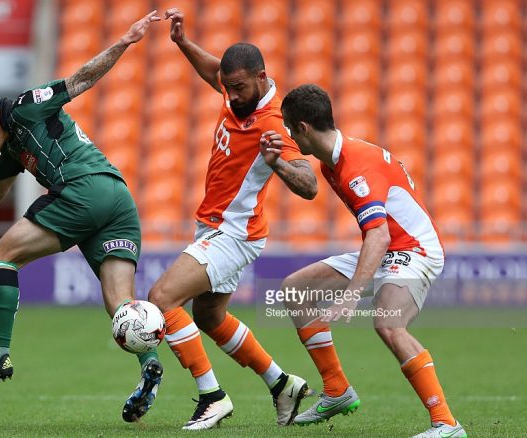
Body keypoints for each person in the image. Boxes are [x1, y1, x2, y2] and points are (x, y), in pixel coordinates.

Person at [0, 11, 165, 424]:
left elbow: (81, 79)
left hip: (83, 190)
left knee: (1, 255)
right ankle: (150, 367)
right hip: (117, 201)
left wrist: (126, 41)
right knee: (120, 306)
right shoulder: (12, 147)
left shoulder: (21, 109)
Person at [146, 9, 318, 430]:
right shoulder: (235, 93)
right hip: (214, 226)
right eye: (228, 87)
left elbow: (310, 185)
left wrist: (278, 163)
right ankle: (282, 384)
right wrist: (183, 43)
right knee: (209, 318)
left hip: (232, 232)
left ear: (262, 77)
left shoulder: (274, 121)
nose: (232, 95)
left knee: (161, 299)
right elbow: (213, 73)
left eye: (239, 87)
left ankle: (213, 396)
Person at [264, 83, 466, 438]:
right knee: (295, 290)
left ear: (303, 129)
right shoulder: (334, 162)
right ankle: (337, 390)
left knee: (388, 322)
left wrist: (351, 293)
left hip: (414, 248)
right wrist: (278, 163)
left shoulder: (355, 166)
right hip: (389, 246)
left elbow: (379, 234)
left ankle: (446, 424)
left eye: (288, 127)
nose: (288, 134)